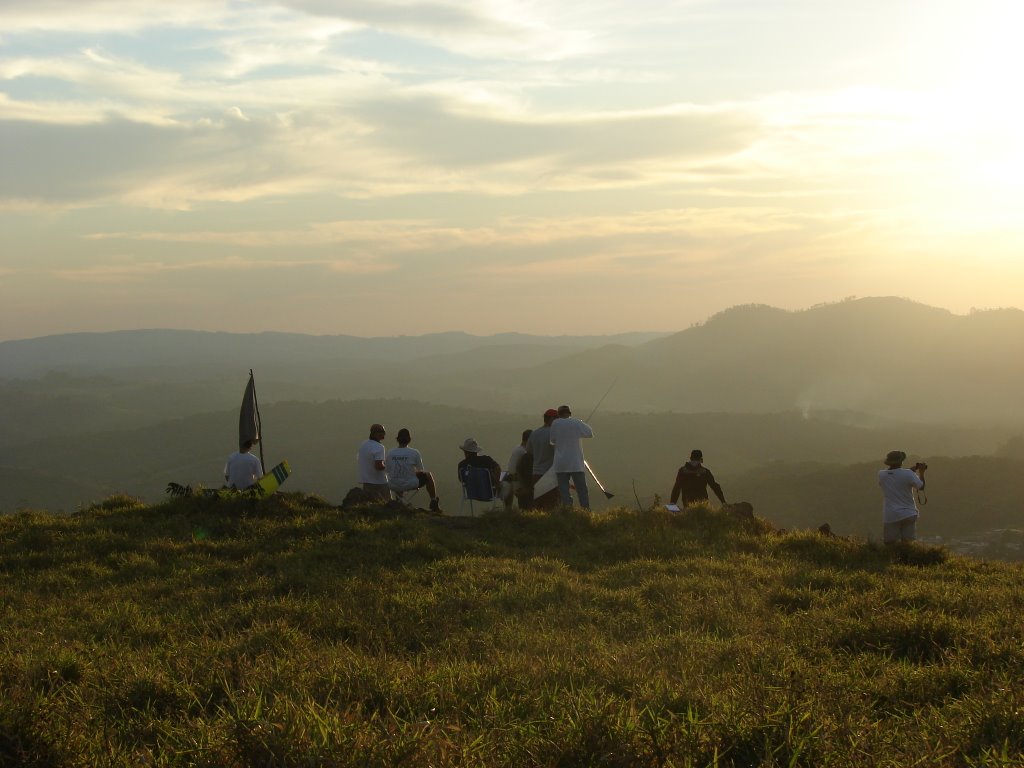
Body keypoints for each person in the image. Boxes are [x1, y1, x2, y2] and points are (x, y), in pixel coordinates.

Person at [549, 404, 594, 509]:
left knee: (564, 491)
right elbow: (590, 433)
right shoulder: (576, 422)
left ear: (558, 414)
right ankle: (585, 510)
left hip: (561, 463)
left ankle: (568, 510)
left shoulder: (555, 423)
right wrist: (580, 426)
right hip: (576, 463)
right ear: (569, 413)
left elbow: (552, 441)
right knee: (582, 489)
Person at [386, 427, 441, 512]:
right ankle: (433, 501)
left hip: (393, 485)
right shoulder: (414, 453)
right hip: (409, 484)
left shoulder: (390, 453)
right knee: (428, 475)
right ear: (409, 439)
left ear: (397, 439)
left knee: (397, 477)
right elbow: (421, 470)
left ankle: (400, 500)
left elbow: (387, 470)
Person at [878, 450, 927, 543]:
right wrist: (921, 472)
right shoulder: (908, 474)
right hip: (909, 513)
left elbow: (895, 475)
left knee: (890, 544)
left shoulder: (881, 474)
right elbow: (921, 487)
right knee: (908, 544)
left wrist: (910, 471)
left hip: (891, 515)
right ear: (901, 461)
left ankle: (892, 558)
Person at [527, 409, 560, 509]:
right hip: (550, 475)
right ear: (551, 419)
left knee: (538, 505)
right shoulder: (554, 434)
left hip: (536, 474)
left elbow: (529, 451)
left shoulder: (534, 433)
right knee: (552, 505)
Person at [357, 423, 390, 502]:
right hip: (379, 482)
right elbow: (378, 466)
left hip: (366, 481)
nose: (384, 433)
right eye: (382, 431)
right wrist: (388, 466)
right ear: (375, 433)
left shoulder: (363, 444)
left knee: (368, 504)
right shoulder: (379, 447)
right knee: (387, 503)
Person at [500, 429, 532, 511]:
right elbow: (520, 468)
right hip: (517, 479)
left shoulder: (517, 448)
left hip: (511, 478)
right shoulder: (523, 452)